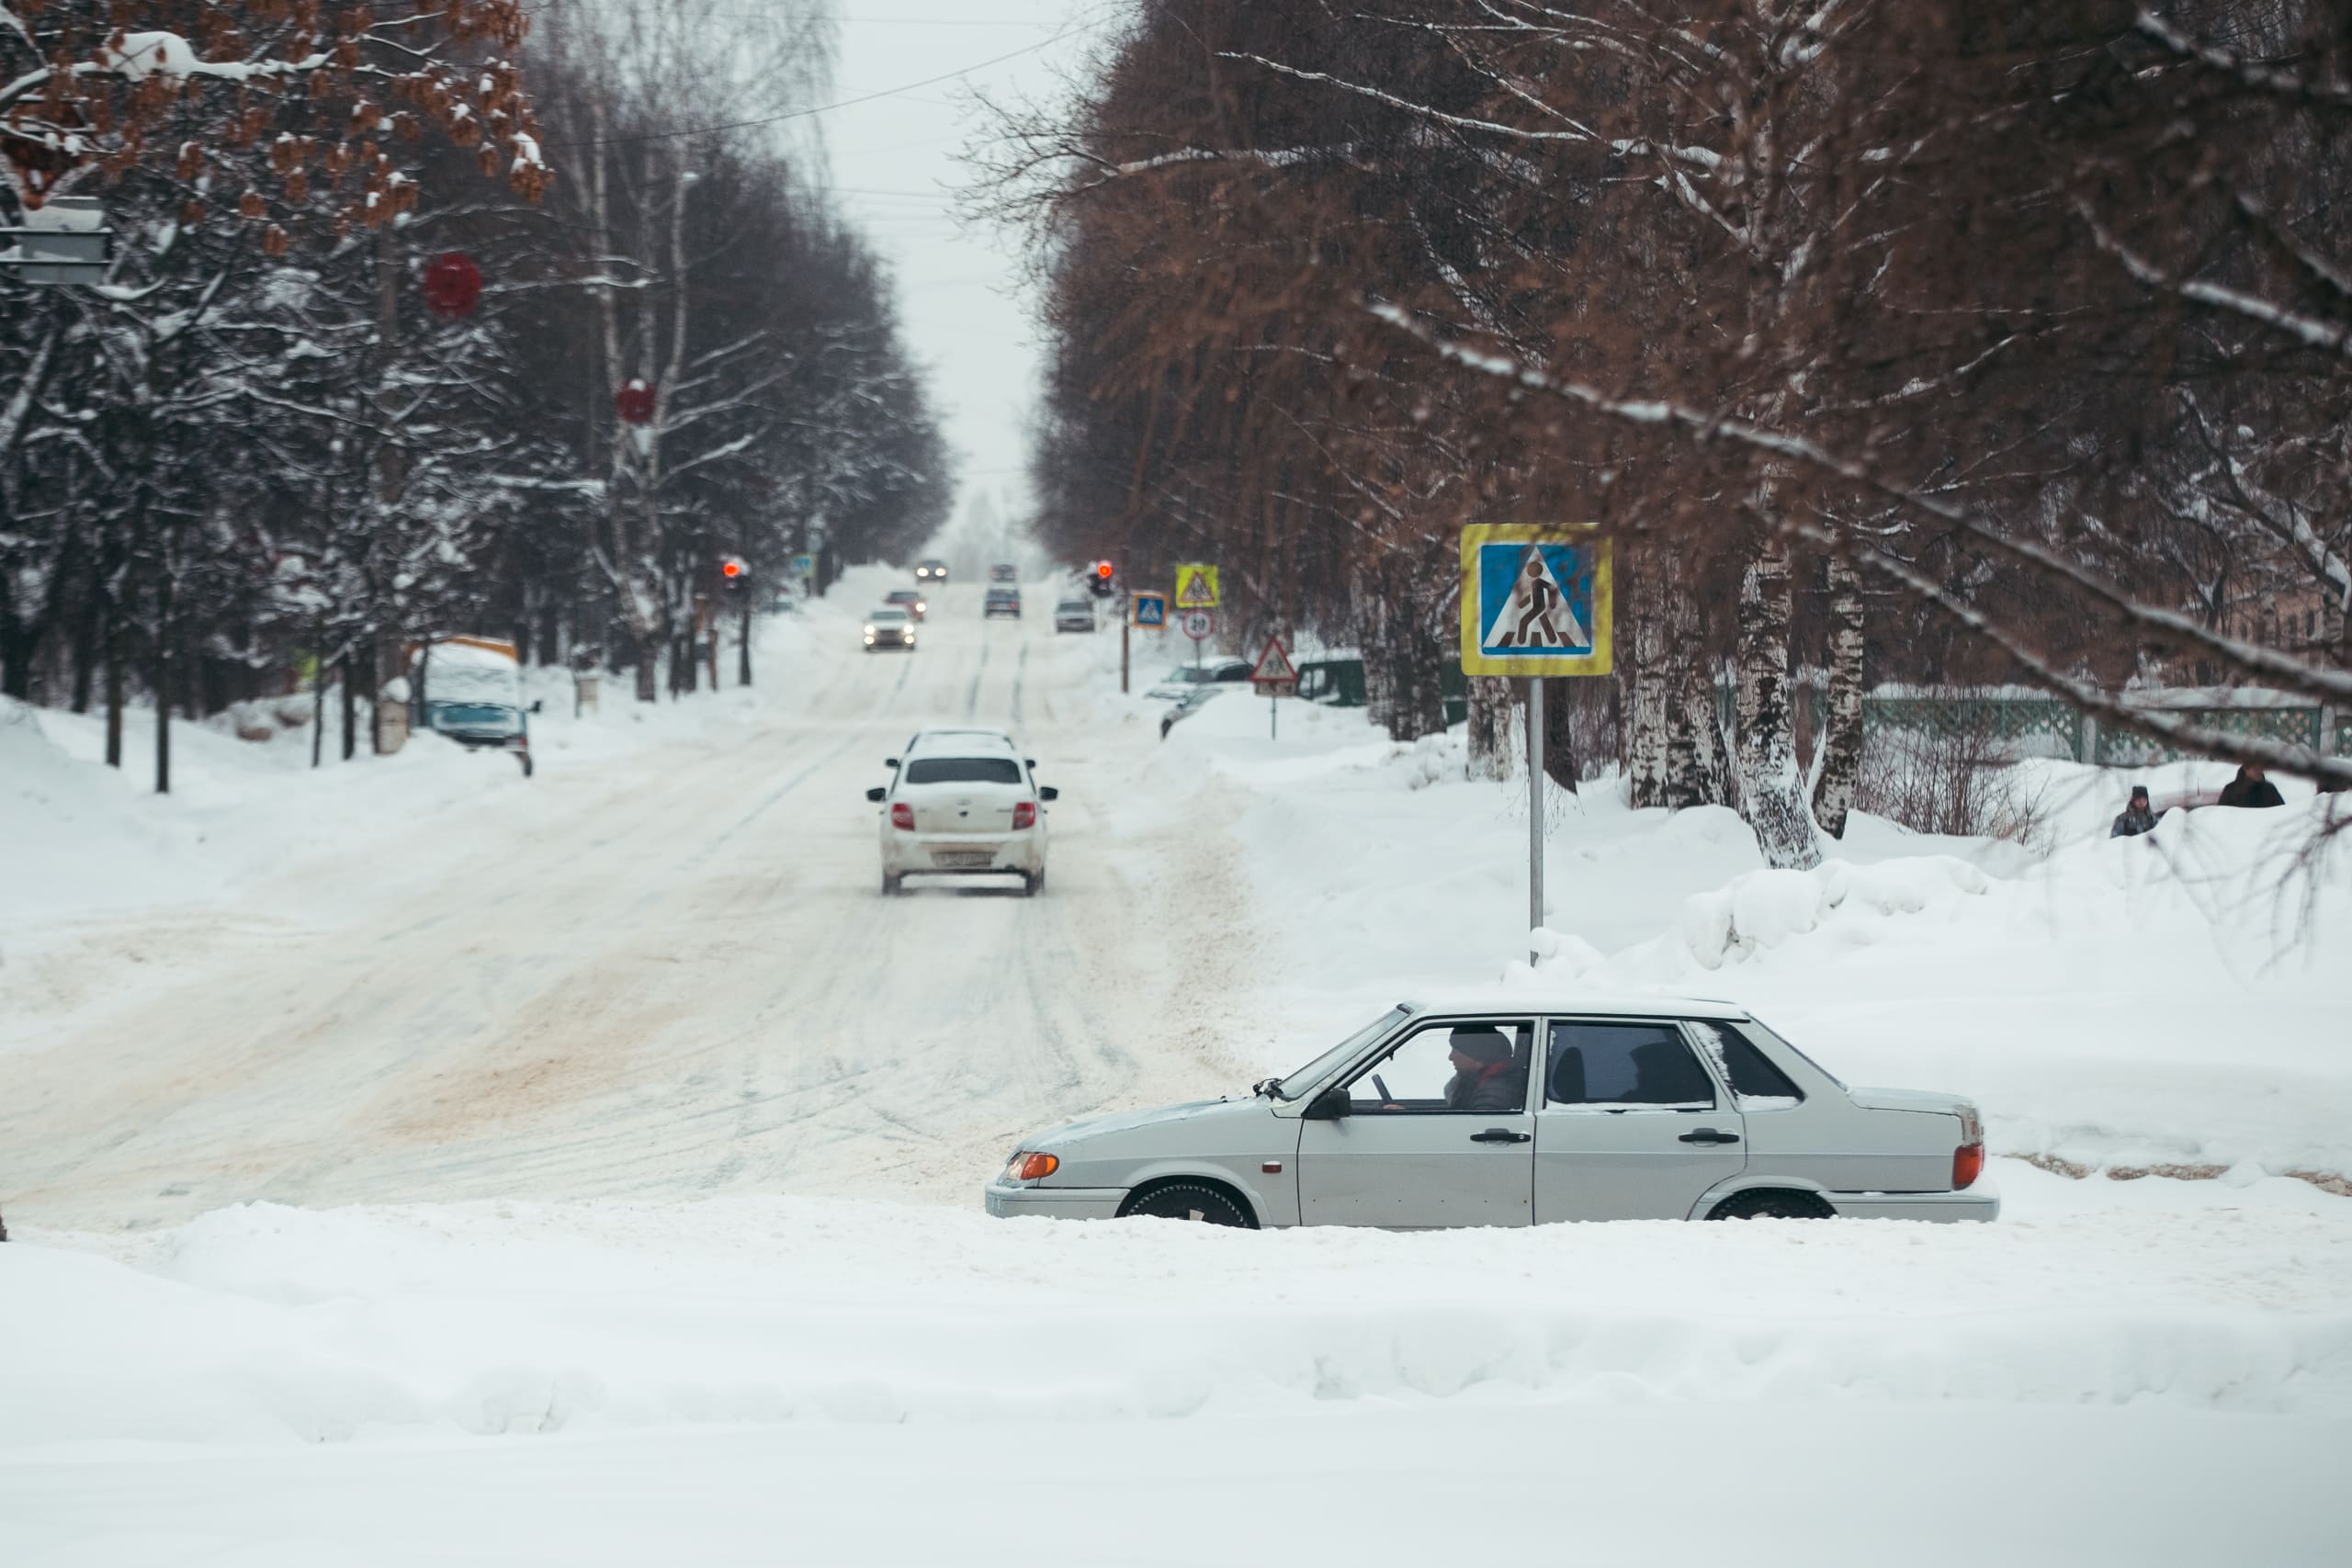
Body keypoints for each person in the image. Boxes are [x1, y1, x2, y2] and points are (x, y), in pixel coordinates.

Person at [1444, 1027, 1524, 1112]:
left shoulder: (1495, 1091)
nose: (1450, 1057)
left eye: (1455, 1051)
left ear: (1477, 1057)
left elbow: (1475, 1124)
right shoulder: (1475, 1080)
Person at [2218, 764, 2286, 809]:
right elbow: (2221, 812)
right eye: (2256, 769)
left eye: (2260, 769)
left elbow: (2281, 811)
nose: (2259, 771)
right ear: (2246, 769)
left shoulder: (2269, 789)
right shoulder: (2231, 789)